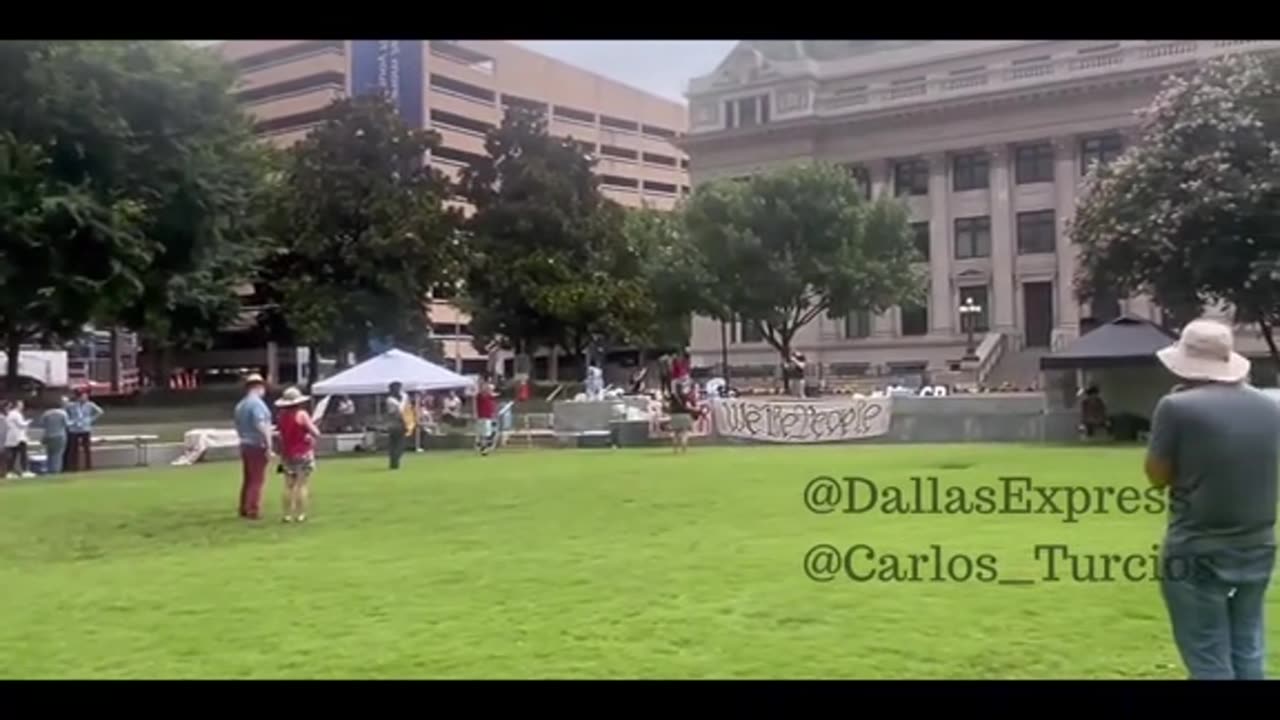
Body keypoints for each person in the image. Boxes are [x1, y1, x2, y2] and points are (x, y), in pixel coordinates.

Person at [1145, 319, 1280, 680]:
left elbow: (1157, 476)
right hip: (1259, 543)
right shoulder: (1272, 406)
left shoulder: (1175, 407)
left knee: (1208, 657)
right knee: (1248, 648)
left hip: (1196, 545)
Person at [275, 387, 320, 523]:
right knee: (302, 485)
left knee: (288, 485)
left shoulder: (280, 416)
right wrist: (309, 434)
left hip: (287, 454)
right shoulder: (302, 414)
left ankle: (287, 515)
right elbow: (316, 433)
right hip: (303, 453)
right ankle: (300, 514)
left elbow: (281, 435)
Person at [233, 373, 273, 520]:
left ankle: (244, 506)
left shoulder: (241, 405)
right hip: (257, 444)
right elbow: (260, 424)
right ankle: (253, 509)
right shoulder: (257, 404)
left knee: (248, 478)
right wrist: (269, 444)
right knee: (257, 479)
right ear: (259, 387)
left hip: (245, 443)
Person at [64, 387, 104, 472]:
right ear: (78, 397)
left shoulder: (90, 404)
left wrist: (91, 419)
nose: (85, 398)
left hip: (85, 428)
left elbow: (100, 411)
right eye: (83, 396)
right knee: (73, 450)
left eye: (85, 396)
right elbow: (65, 413)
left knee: (87, 449)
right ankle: (74, 467)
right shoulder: (71, 405)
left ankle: (88, 466)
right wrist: (70, 422)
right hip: (74, 429)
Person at [5, 399, 34, 479]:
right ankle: (25, 471)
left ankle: (9, 472)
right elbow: (21, 424)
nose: (22, 406)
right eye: (20, 404)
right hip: (19, 438)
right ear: (17, 405)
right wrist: (28, 422)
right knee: (23, 455)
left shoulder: (10, 414)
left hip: (12, 438)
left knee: (13, 456)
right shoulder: (16, 414)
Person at [39, 400, 70, 475]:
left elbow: (41, 424)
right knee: (58, 455)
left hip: (48, 436)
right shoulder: (63, 413)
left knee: (49, 454)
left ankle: (49, 470)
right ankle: (56, 471)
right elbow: (66, 424)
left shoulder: (46, 413)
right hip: (59, 436)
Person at [385, 381, 409, 470]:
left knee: (396, 444)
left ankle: (394, 462)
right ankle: (394, 462)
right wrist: (404, 398)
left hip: (398, 423)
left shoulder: (393, 399)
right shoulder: (390, 400)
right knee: (397, 445)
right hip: (395, 424)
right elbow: (400, 409)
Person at [667, 385, 696, 454]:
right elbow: (690, 406)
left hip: (674, 415)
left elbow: (668, 406)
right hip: (685, 415)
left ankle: (675, 449)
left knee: (675, 433)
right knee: (685, 432)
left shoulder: (672, 397)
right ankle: (684, 446)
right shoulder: (685, 396)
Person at [475, 380, 497, 456]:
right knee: (483, 433)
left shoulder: (489, 396)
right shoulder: (480, 395)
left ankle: (483, 447)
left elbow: (492, 405)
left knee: (486, 433)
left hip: (488, 417)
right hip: (482, 416)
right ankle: (483, 447)